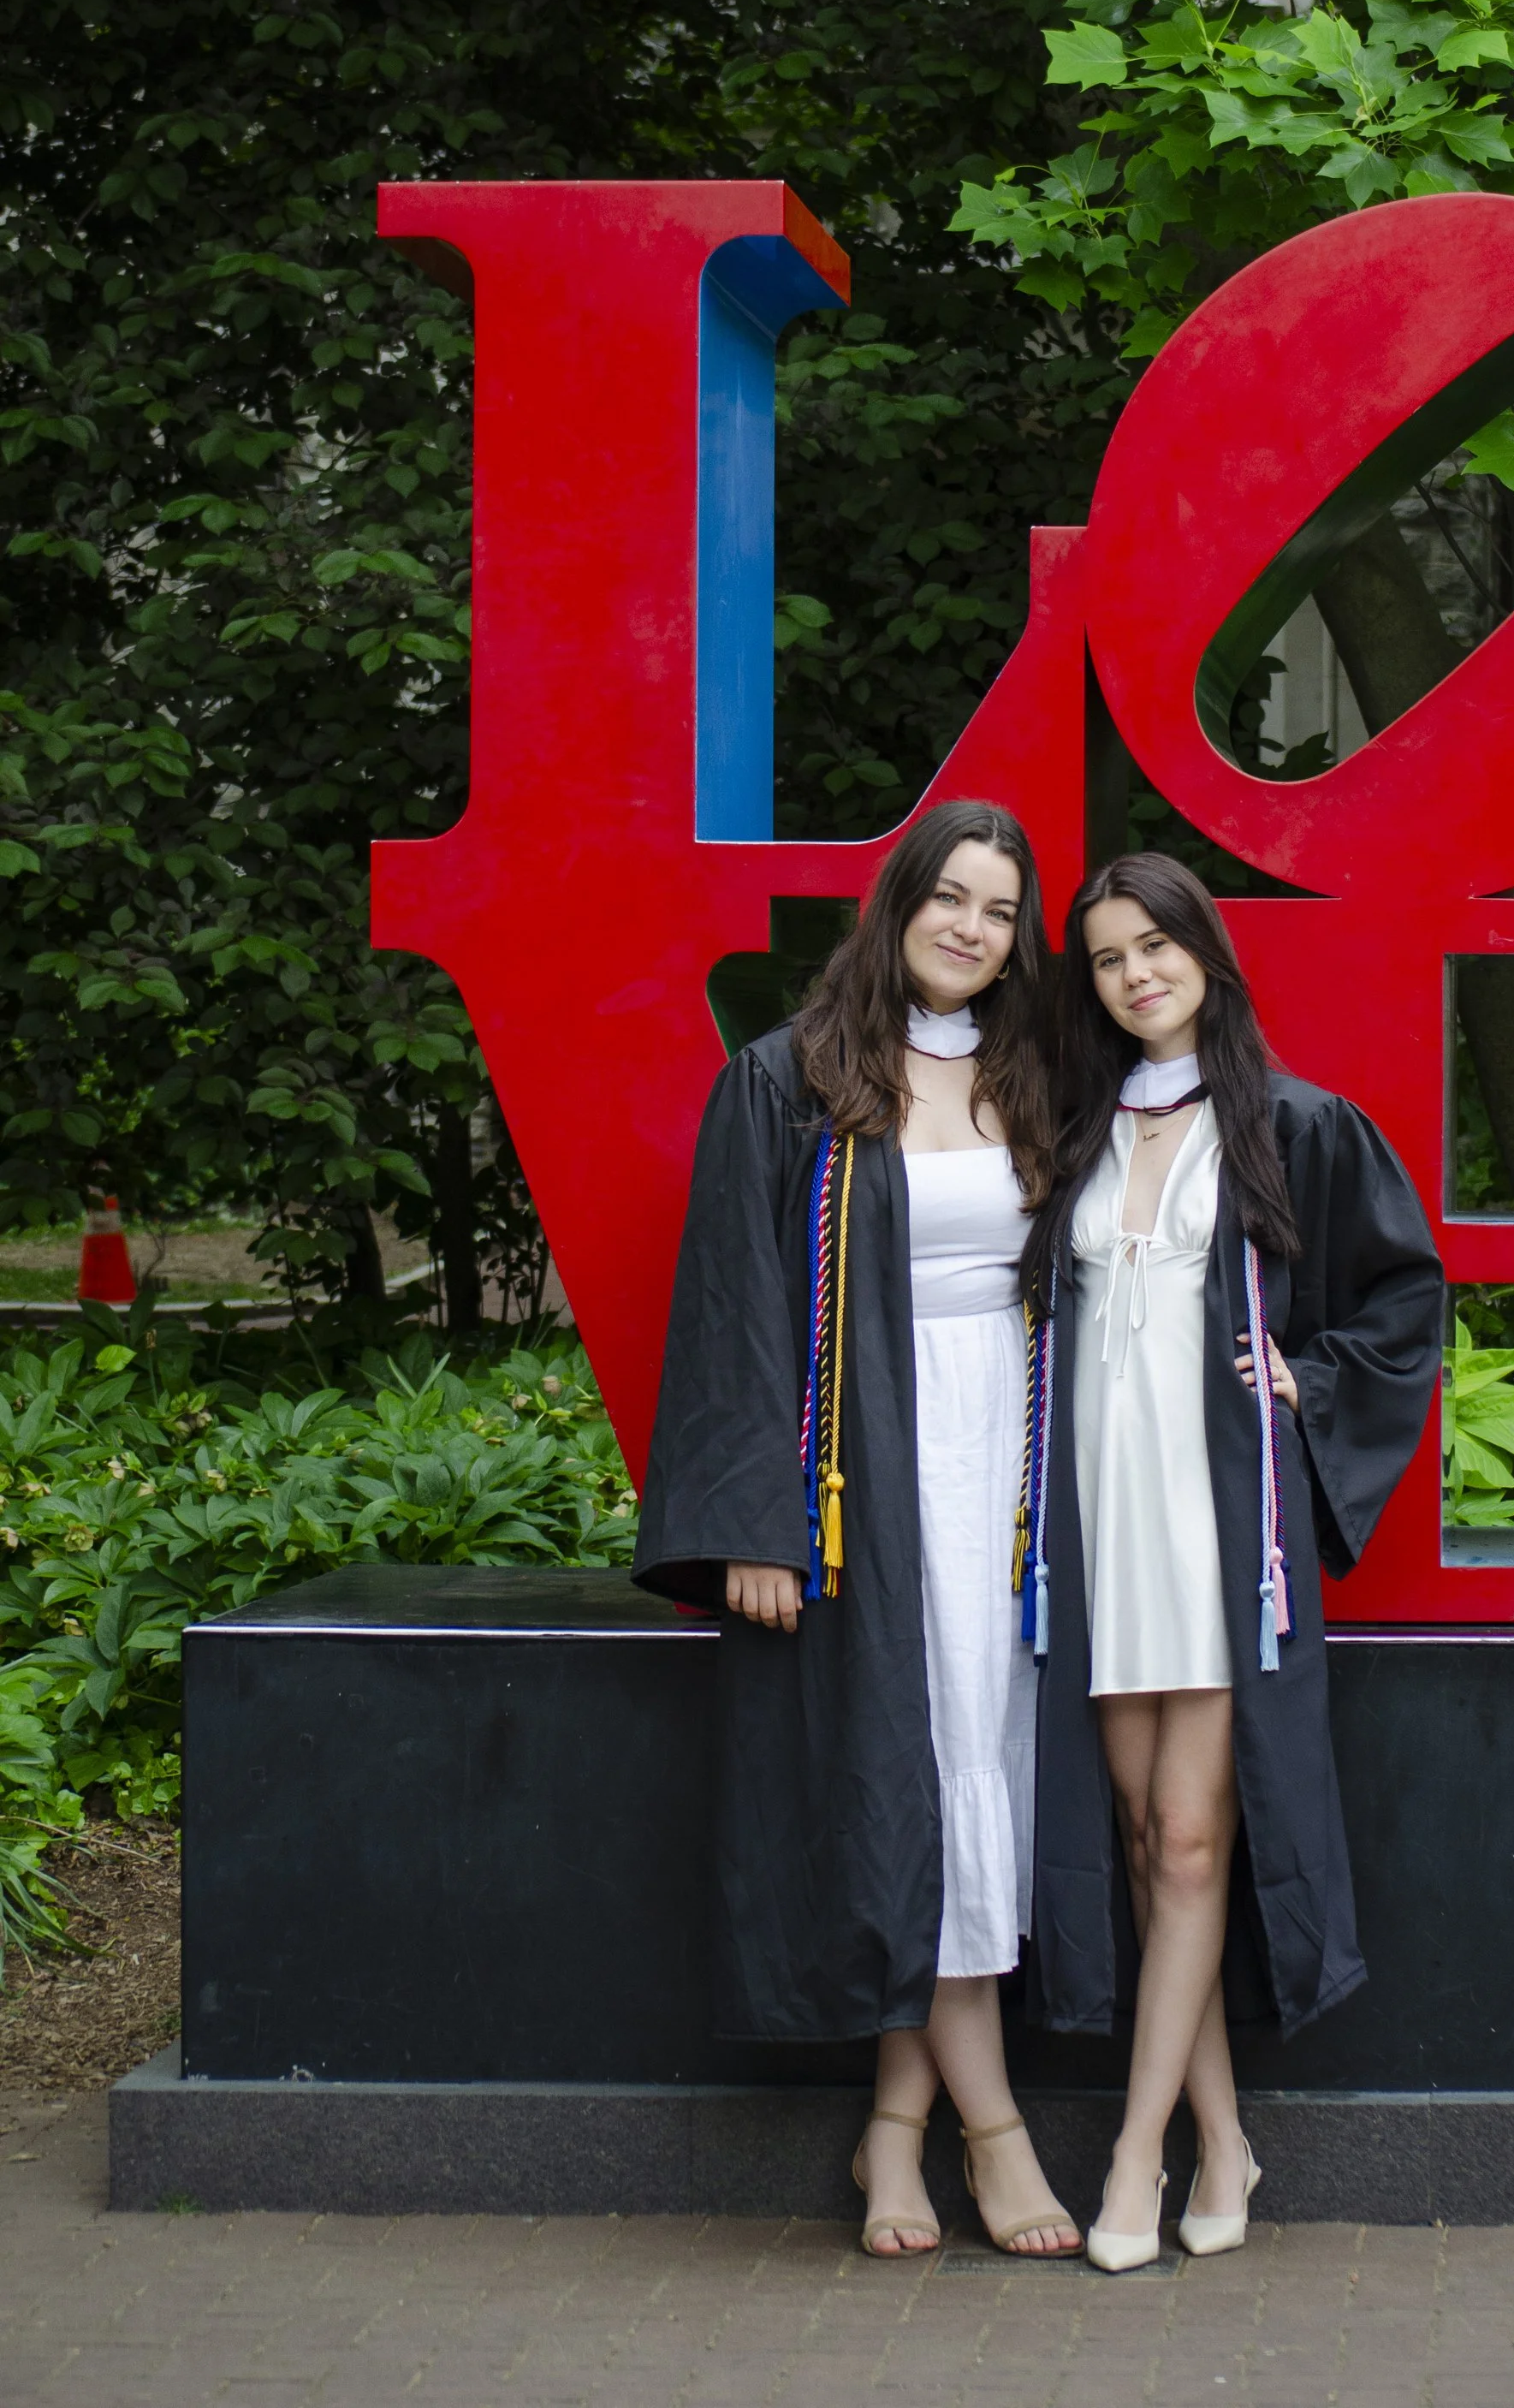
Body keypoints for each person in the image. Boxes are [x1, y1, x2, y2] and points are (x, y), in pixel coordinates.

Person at [633, 800, 1080, 2260]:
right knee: (914, 1770)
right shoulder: (792, 1080)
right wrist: (755, 1516)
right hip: (864, 1475)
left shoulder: (1036, 1077)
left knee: (975, 1773)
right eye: (950, 897)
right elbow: (736, 1306)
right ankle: (992, 2130)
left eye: (1001, 910)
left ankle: (893, 2125)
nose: (971, 927)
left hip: (1006, 1467)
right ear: (896, 906)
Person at [1023, 852, 1443, 2270]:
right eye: (1107, 957)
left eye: (1157, 945)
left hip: (1216, 1531)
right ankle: (1229, 2139)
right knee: (1147, 1842)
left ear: (1206, 950)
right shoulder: (1075, 1129)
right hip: (1099, 1521)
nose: (1137, 973)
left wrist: (1305, 1384)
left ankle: (1138, 2157)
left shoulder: (1293, 1125)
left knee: (1195, 1837)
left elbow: (1401, 1297)